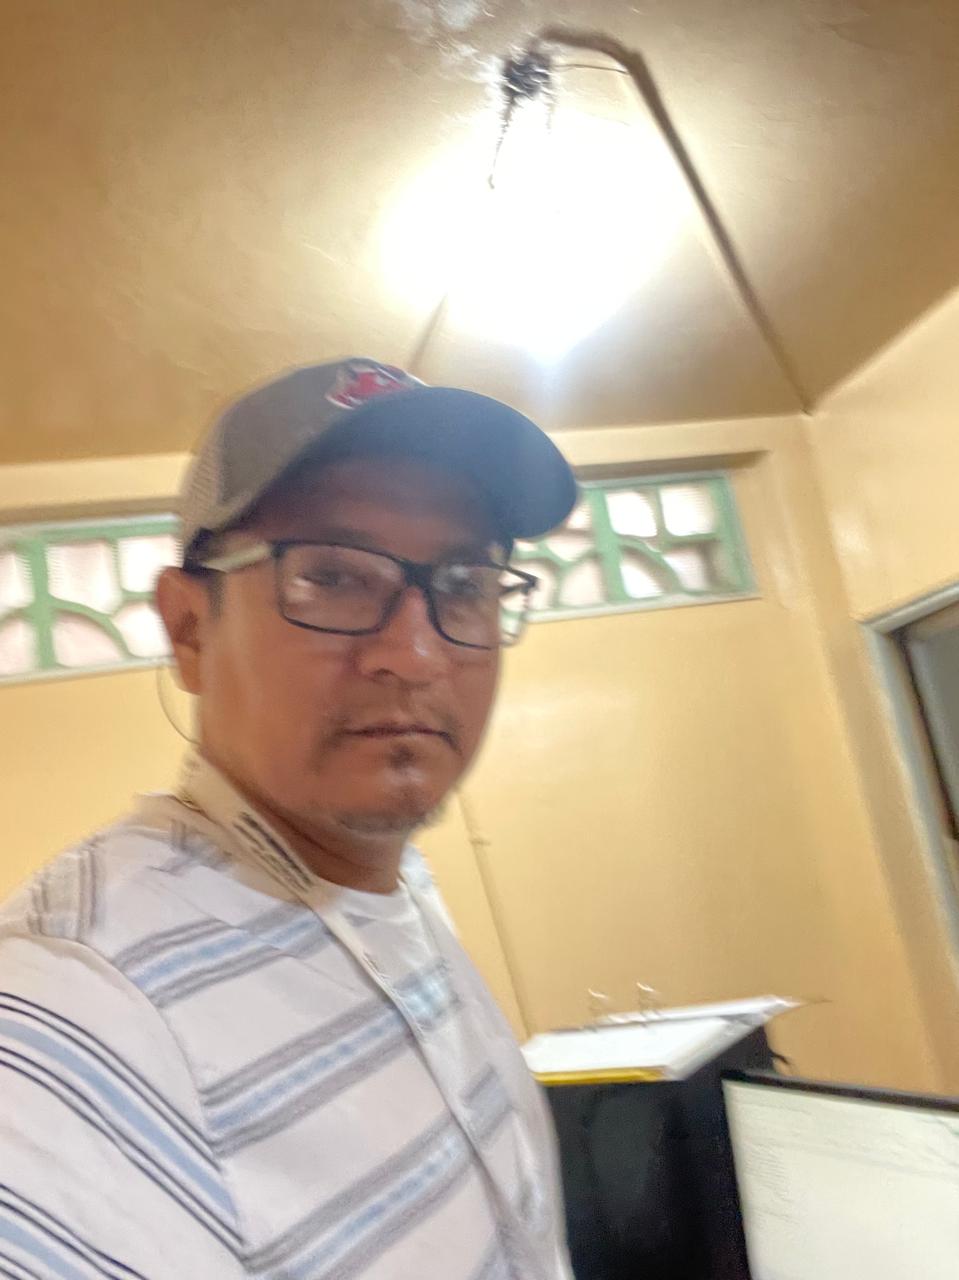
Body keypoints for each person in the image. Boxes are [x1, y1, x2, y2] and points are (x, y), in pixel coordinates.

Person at [0, 359, 578, 1279]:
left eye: (464, 582)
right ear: (189, 628)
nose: (415, 654)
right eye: (334, 577)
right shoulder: (73, 1008)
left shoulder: (392, 887)